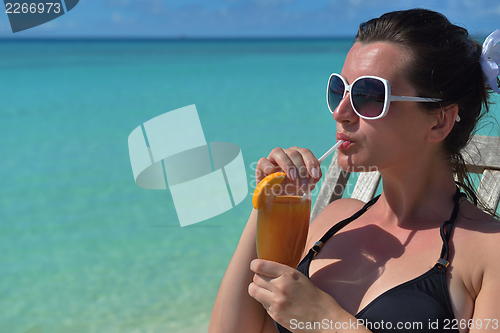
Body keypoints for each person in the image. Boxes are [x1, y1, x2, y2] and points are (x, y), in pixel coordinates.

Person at [209, 9, 500, 333]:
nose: (340, 112)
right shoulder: (335, 220)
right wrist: (268, 201)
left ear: (439, 120)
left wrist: (328, 323)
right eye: (340, 90)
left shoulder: (489, 252)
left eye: (368, 96)